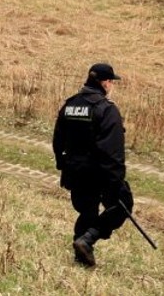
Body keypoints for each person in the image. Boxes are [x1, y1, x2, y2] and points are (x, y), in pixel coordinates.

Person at [52, 62, 132, 267]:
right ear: (105, 83)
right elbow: (113, 151)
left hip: (74, 172)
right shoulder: (106, 110)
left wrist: (63, 165)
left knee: (87, 212)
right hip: (99, 174)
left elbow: (58, 140)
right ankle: (87, 239)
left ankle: (82, 256)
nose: (111, 85)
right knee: (122, 206)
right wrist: (115, 182)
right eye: (111, 81)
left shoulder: (69, 105)